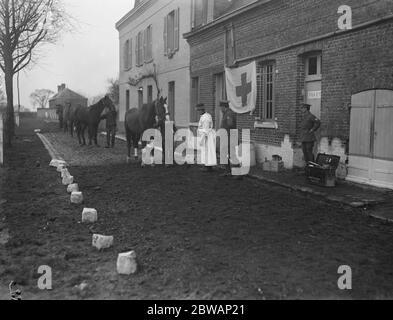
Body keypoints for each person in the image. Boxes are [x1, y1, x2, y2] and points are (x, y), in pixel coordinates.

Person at [219, 100, 237, 176]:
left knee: (231, 154)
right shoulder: (225, 114)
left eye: (221, 107)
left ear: (224, 107)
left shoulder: (229, 114)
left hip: (229, 137)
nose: (220, 109)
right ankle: (228, 171)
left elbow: (230, 124)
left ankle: (237, 172)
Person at [197, 103, 217, 171]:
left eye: (199, 110)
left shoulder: (205, 117)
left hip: (207, 136)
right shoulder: (205, 116)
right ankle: (207, 165)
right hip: (206, 135)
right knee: (206, 151)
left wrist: (201, 140)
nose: (198, 112)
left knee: (207, 151)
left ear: (201, 110)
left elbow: (205, 130)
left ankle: (208, 167)